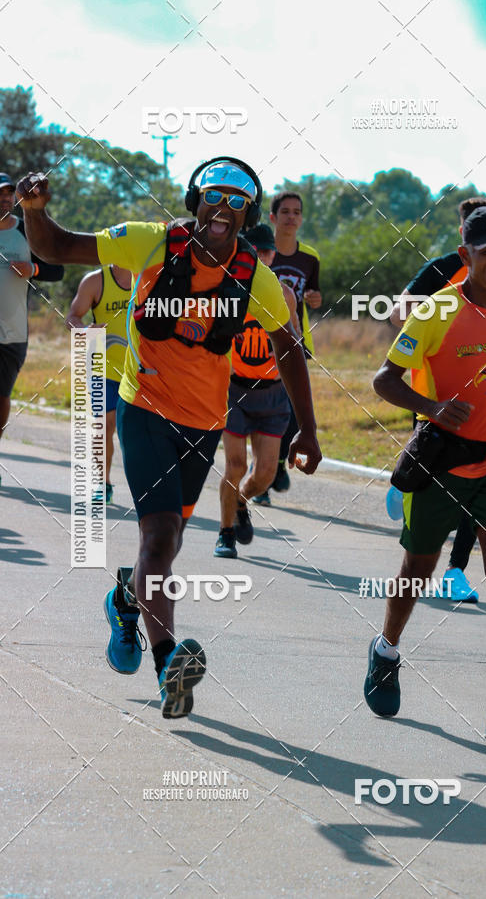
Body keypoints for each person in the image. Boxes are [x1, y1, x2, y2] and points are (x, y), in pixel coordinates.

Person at [17, 158, 321, 719]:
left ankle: (125, 601)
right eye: (214, 198)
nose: (223, 211)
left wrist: (307, 430)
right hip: (145, 410)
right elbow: (57, 246)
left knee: (170, 543)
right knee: (158, 539)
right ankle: (168, 666)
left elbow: (289, 349)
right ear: (194, 201)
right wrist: (36, 211)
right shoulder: (150, 243)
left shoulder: (256, 278)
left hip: (204, 424)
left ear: (247, 215)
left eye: (237, 204)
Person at [364, 207, 486, 740]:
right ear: (465, 255)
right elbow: (384, 380)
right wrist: (433, 405)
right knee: (418, 569)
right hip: (444, 459)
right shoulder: (436, 312)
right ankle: (386, 650)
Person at [390, 196, 486, 604]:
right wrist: (439, 319)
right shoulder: (443, 269)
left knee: (482, 489)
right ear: (462, 236)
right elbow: (397, 312)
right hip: (437, 397)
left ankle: (455, 571)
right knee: (430, 481)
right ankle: (409, 493)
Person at [215, 223, 300, 556]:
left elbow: (292, 342)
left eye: (266, 251)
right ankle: (224, 533)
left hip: (273, 392)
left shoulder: (284, 294)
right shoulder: (228, 288)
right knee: (235, 465)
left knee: (264, 474)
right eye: (255, 250)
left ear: (273, 254)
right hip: (235, 389)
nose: (261, 257)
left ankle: (239, 502)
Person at [253, 190, 321, 505]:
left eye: (297, 212)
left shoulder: (310, 257)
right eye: (285, 212)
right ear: (273, 217)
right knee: (266, 409)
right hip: (255, 344)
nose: (291, 217)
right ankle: (263, 478)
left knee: (291, 408)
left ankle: (278, 463)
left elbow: (314, 293)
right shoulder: (257, 249)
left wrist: (315, 299)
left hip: (294, 337)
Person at [0, 172, 63, 481]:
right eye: (0, 195)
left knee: (1, 395)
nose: (5, 200)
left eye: (9, 195)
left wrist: (33, 267)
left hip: (14, 331)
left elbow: (57, 268)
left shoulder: (26, 230)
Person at [66, 264, 132, 503]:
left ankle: (144, 488)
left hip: (138, 371)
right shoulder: (95, 281)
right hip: (102, 367)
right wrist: (84, 331)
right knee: (103, 427)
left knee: (135, 432)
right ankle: (102, 483)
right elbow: (72, 317)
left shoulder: (147, 277)